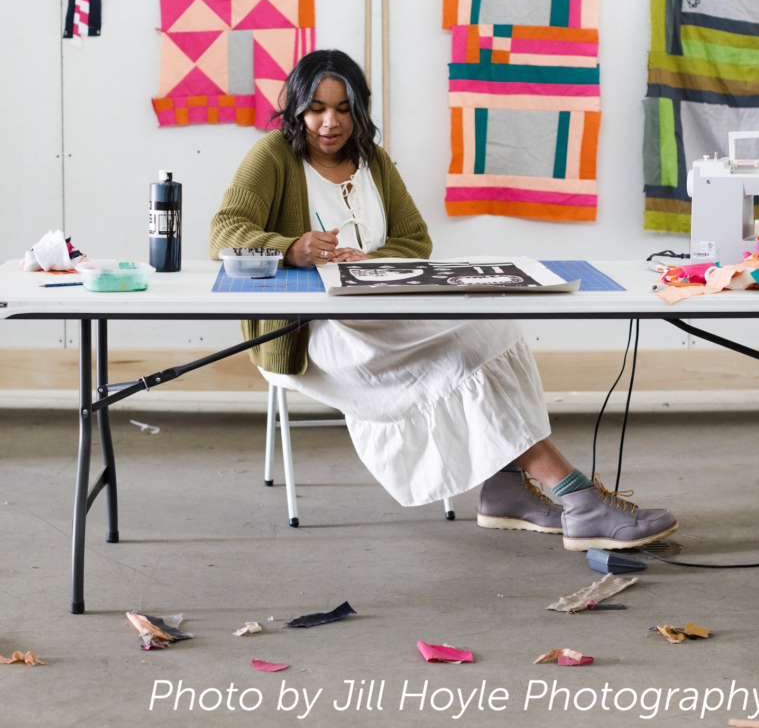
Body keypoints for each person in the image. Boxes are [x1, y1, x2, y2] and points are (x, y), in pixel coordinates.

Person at [209, 50, 677, 550]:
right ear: (297, 108)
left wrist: (369, 262)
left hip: (382, 310)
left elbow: (415, 240)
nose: (331, 122)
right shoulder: (272, 156)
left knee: (496, 327)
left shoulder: (373, 160)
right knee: (468, 347)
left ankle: (505, 487)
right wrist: (293, 249)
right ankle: (575, 496)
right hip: (316, 332)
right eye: (317, 108)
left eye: (344, 108)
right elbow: (225, 233)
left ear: (359, 110)